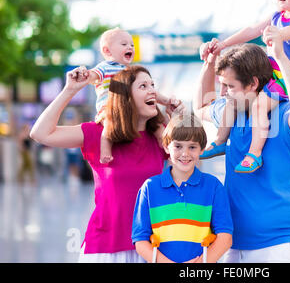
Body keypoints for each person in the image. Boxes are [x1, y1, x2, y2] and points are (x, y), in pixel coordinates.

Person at [30, 65, 184, 262]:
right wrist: (70, 90)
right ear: (125, 97)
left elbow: (192, 157)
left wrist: (178, 118)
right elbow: (40, 133)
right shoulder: (97, 134)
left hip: (151, 245)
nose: (152, 90)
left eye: (153, 84)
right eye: (143, 86)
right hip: (105, 247)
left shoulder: (160, 135)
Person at [193, 24, 290, 262]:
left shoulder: (284, 115)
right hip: (235, 245)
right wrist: (209, 63)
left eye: (230, 86)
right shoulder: (232, 111)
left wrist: (281, 57)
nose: (224, 92)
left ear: (252, 84)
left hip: (284, 245)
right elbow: (200, 107)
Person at [199, 0, 290, 174]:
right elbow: (252, 30)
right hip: (267, 75)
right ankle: (220, 139)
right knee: (233, 100)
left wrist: (276, 34)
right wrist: (223, 44)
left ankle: (254, 153)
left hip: (283, 79)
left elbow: (289, 33)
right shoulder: (276, 16)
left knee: (258, 107)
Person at [132, 113, 233, 263]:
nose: (185, 154)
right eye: (178, 146)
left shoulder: (213, 186)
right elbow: (140, 240)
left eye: (192, 147)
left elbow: (225, 238)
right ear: (166, 147)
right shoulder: (149, 188)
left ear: (201, 149)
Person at [83, 27, 175, 164]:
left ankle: (166, 145)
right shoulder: (106, 67)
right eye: (124, 44)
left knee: (157, 125)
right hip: (109, 108)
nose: (130, 47)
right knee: (109, 126)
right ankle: (106, 151)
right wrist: (85, 74)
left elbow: (151, 92)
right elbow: (93, 76)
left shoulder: (131, 71)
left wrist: (166, 101)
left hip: (128, 108)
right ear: (107, 51)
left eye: (131, 45)